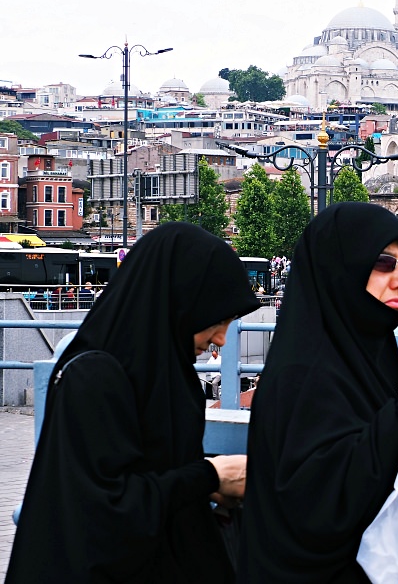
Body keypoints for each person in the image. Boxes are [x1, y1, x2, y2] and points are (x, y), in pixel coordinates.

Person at [238, 203, 398, 582]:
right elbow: (324, 505)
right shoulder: (298, 378)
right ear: (337, 269)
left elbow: (387, 453)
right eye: (383, 262)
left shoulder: (370, 357)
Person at [7, 223, 261, 583]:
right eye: (216, 319)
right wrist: (210, 476)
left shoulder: (167, 372)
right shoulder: (95, 377)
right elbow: (105, 510)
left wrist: (207, 481)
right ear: (179, 299)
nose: (221, 338)